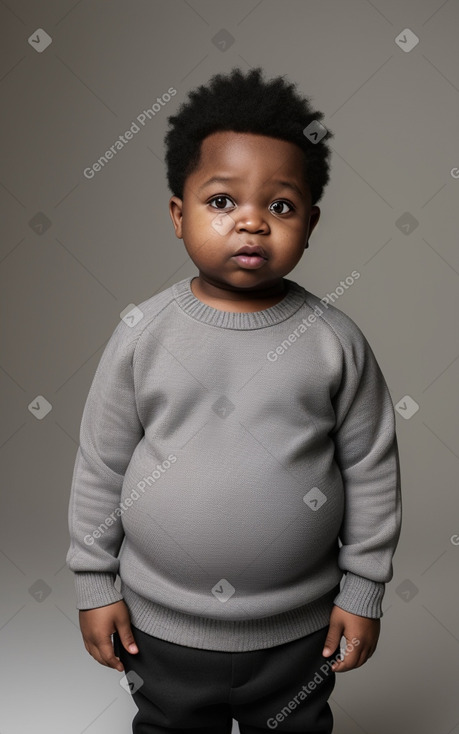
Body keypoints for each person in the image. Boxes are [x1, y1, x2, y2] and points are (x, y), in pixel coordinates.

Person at [66, 66, 402, 733]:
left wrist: (363, 590)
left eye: (280, 206)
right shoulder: (143, 334)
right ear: (177, 213)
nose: (251, 222)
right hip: (160, 627)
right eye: (222, 201)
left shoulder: (334, 342)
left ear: (309, 224)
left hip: (297, 628)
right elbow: (101, 465)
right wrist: (94, 585)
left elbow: (371, 471)